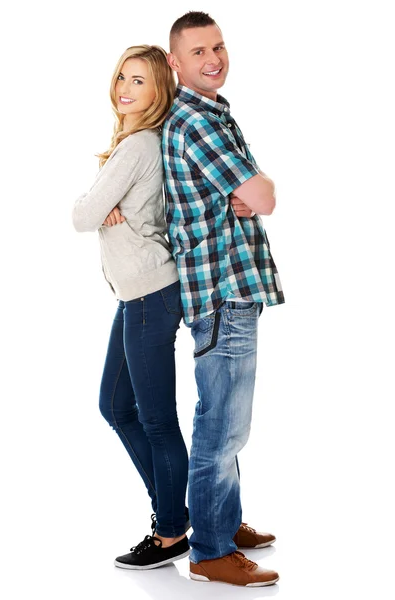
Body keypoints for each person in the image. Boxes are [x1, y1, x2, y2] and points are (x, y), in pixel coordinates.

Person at [162, 12, 285, 587]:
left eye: (219, 46)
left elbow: (252, 197)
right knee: (222, 427)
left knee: (229, 423)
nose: (213, 58)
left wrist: (249, 195)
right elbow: (263, 194)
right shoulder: (196, 121)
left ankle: (222, 519)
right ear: (175, 63)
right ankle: (209, 551)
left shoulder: (209, 112)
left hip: (229, 287)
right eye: (198, 51)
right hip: (222, 290)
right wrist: (254, 190)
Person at [72, 45, 191, 570]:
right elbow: (96, 212)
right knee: (115, 406)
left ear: (159, 89)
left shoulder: (137, 146)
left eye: (140, 80)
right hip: (138, 296)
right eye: (123, 76)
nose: (125, 88)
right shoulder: (146, 144)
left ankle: (170, 533)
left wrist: (99, 204)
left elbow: (80, 215)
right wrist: (103, 206)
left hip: (148, 294)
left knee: (157, 420)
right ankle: (175, 510)